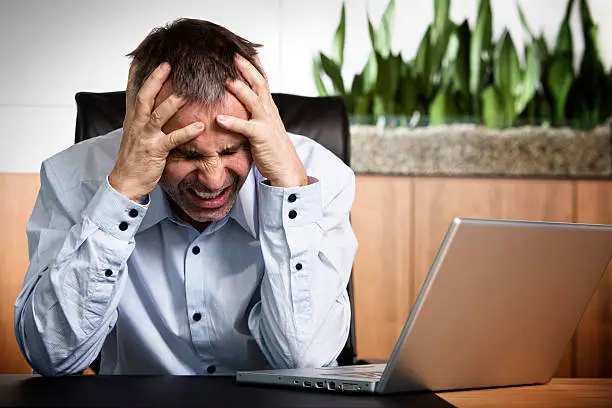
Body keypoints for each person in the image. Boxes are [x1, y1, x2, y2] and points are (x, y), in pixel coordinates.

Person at [14, 18, 357, 376]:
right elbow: (53, 357)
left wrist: (289, 191)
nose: (212, 179)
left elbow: (302, 361)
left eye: (231, 151)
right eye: (186, 154)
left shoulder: (322, 178)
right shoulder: (72, 178)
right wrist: (121, 193)